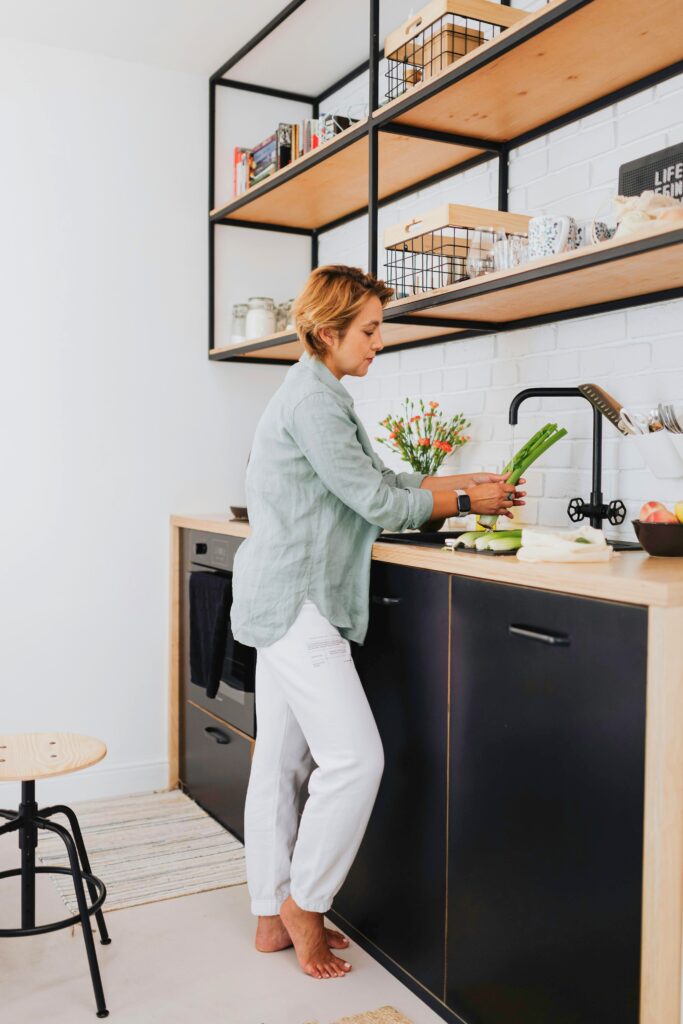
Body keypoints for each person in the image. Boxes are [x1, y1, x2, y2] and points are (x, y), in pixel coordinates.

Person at [230, 265, 525, 981]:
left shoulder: (317, 392)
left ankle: (269, 915)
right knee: (355, 758)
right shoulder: (315, 402)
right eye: (367, 330)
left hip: (278, 594)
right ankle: (306, 902)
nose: (378, 343)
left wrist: (460, 483)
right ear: (328, 332)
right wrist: (464, 504)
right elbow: (376, 501)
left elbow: (384, 478)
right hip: (299, 599)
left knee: (281, 761)